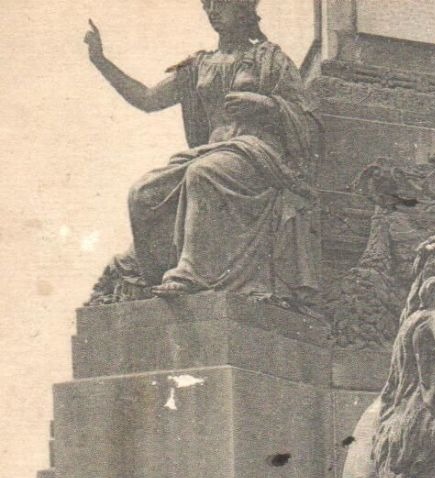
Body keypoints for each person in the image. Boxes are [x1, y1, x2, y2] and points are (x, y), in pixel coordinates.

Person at [84, 0, 319, 306]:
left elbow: (307, 121)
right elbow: (147, 98)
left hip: (257, 152)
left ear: (244, 8)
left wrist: (267, 106)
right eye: (208, 5)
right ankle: (154, 276)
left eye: (221, 4)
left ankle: (192, 272)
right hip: (212, 151)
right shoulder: (198, 66)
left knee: (203, 174)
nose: (213, 12)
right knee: (144, 192)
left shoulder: (269, 58)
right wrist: (100, 60)